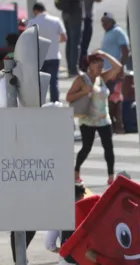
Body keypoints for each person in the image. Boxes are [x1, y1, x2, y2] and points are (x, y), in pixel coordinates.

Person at [67, 51, 121, 185]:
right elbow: (69, 97)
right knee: (86, 147)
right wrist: (84, 91)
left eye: (102, 66)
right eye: (98, 66)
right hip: (88, 119)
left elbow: (118, 67)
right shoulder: (82, 79)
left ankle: (111, 176)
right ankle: (76, 171)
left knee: (108, 147)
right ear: (90, 65)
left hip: (104, 119)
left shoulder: (102, 77)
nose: (101, 69)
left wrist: (105, 54)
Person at [26, 3, 66, 103]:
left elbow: (27, 39)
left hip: (40, 57)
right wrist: (55, 42)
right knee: (54, 82)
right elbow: (64, 38)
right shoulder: (56, 20)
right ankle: (55, 103)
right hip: (54, 56)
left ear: (36, 11)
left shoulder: (32, 22)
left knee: (40, 83)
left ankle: (40, 103)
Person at [98, 12, 128, 132]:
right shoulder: (108, 33)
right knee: (110, 99)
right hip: (108, 73)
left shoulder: (118, 32)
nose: (103, 24)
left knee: (115, 99)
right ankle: (113, 125)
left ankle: (118, 125)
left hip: (115, 72)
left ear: (112, 21)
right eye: (102, 22)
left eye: (105, 22)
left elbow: (125, 51)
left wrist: (121, 68)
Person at [56, 0, 82, 78]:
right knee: (75, 43)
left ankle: (71, 68)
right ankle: (73, 70)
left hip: (66, 13)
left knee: (70, 43)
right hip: (74, 13)